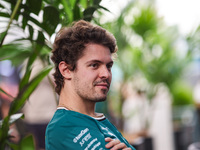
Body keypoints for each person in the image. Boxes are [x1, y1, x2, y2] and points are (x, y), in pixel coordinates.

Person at [45, 20, 136, 150]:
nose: (106, 74)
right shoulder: (61, 128)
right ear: (66, 70)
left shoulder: (101, 121)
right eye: (94, 65)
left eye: (108, 66)